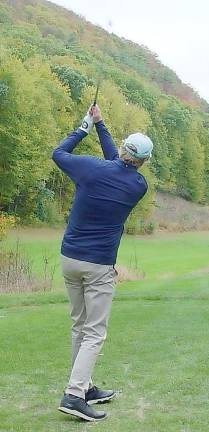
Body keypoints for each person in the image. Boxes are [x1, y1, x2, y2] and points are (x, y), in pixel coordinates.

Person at [52, 105, 153, 421]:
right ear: (144, 162)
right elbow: (118, 166)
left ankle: (84, 386)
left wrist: (86, 127)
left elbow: (59, 154)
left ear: (123, 149)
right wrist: (100, 126)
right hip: (98, 267)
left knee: (80, 326)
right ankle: (72, 395)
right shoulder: (137, 185)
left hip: (69, 259)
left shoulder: (90, 169)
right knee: (94, 332)